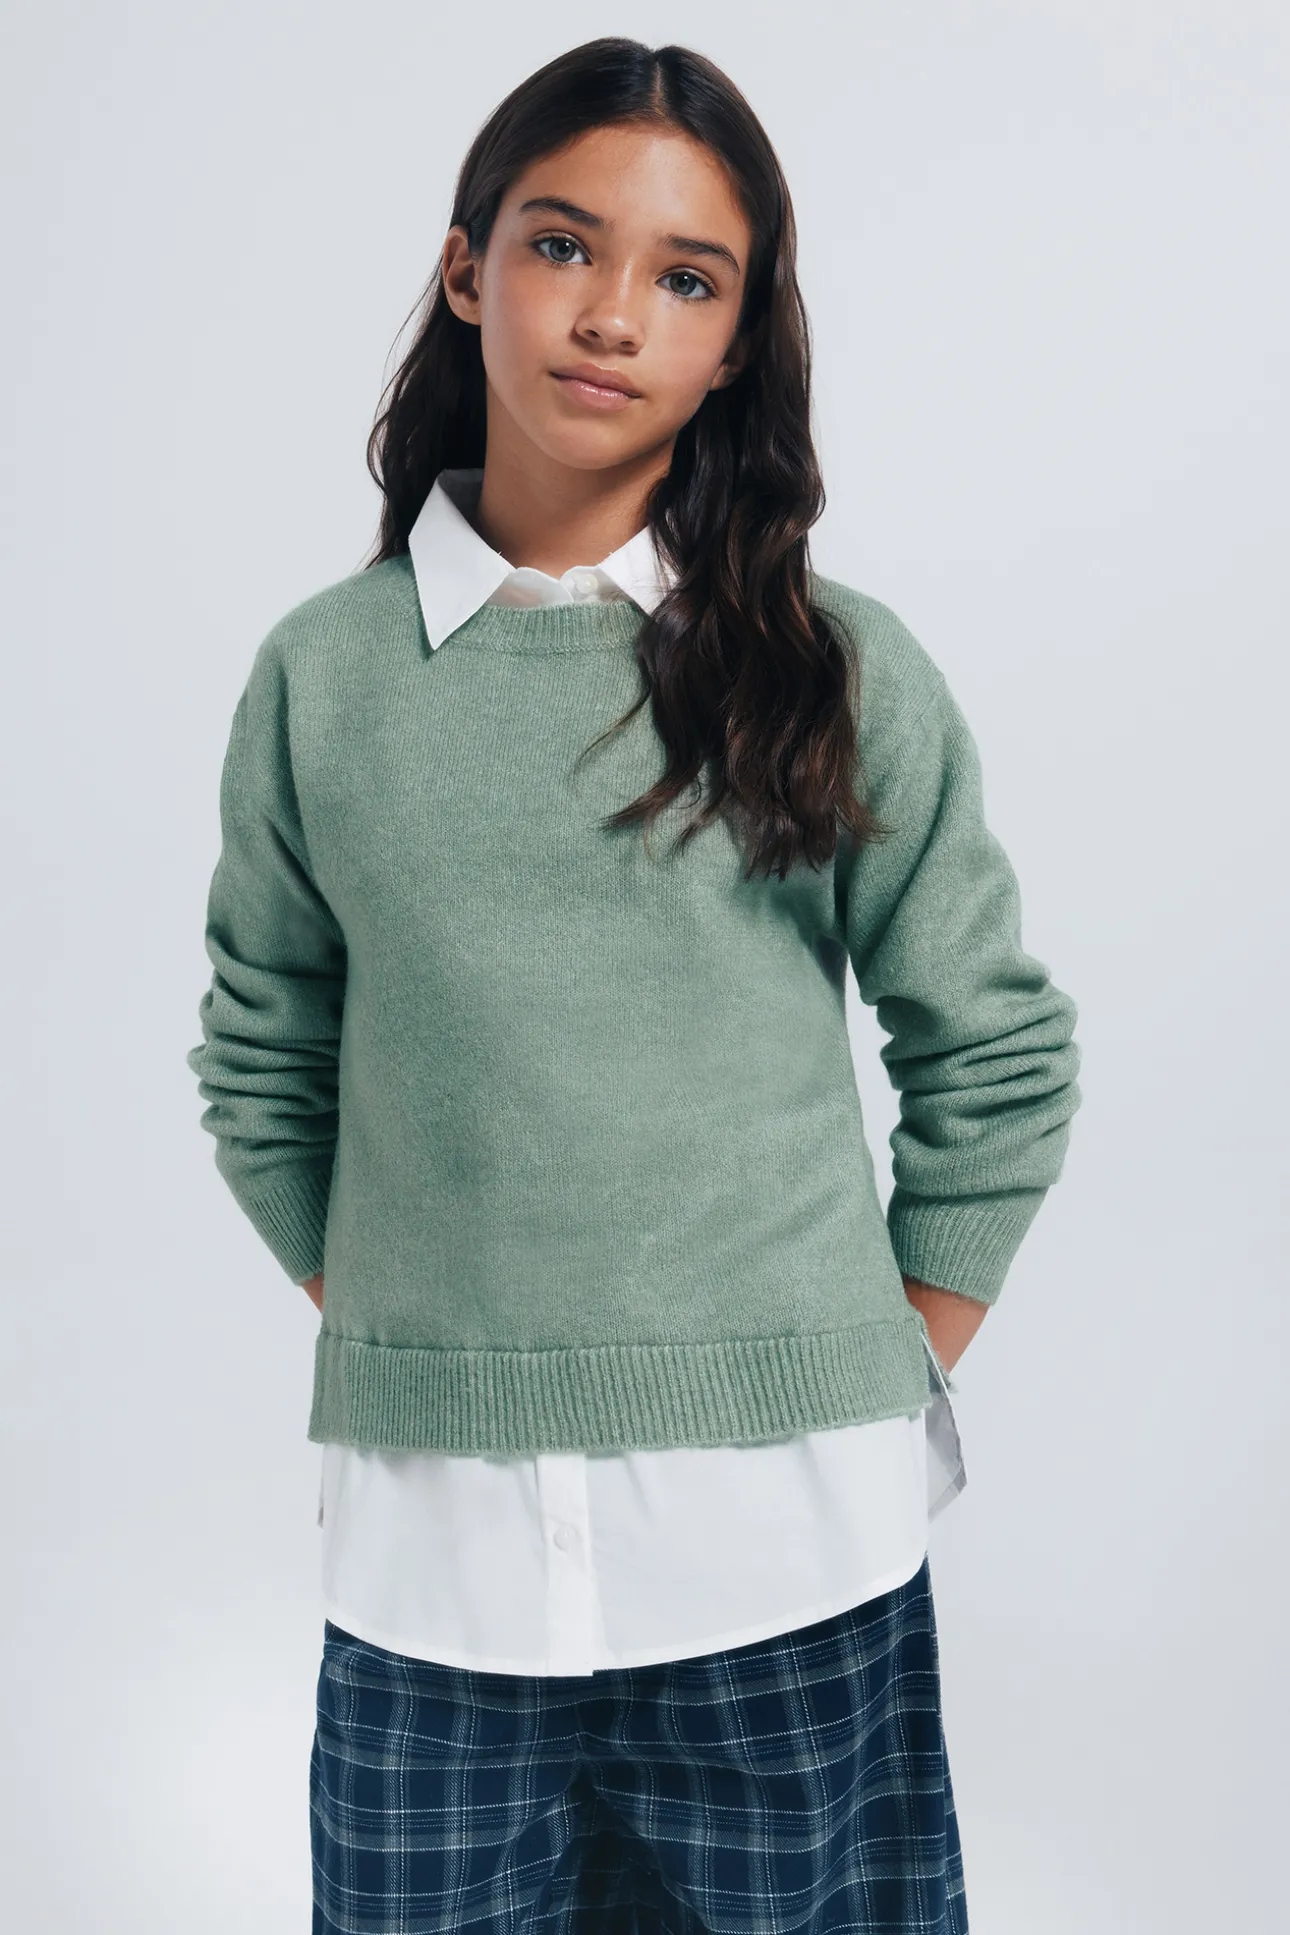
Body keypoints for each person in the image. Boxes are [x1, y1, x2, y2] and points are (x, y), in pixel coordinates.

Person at [187, 36, 1081, 1934]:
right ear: (465, 270)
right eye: (560, 245)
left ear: (739, 341)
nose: (611, 314)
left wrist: (871, 1357)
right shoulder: (323, 678)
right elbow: (266, 1048)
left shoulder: (834, 669)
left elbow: (992, 1049)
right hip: (429, 1576)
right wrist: (425, 1313)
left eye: (686, 277)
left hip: (789, 1559)